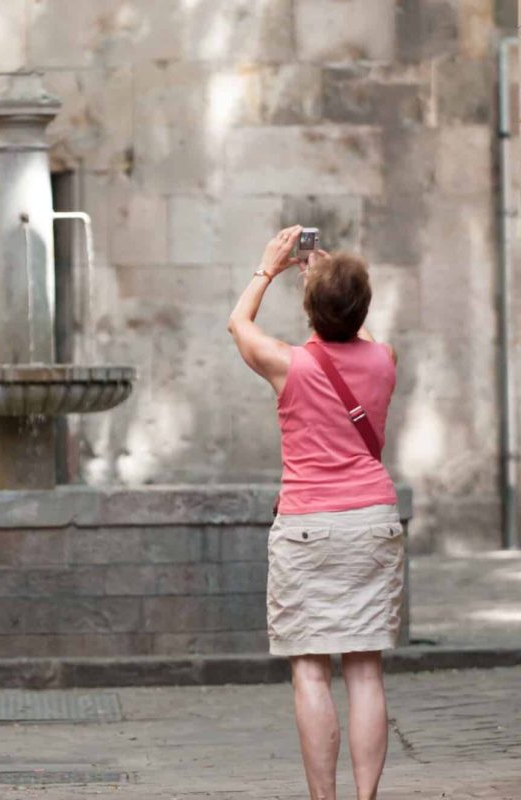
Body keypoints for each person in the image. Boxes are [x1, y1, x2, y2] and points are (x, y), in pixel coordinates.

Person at [227, 225, 403, 800]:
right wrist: (337, 291)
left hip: (306, 527)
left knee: (310, 669)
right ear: (363, 309)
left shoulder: (289, 366)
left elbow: (238, 325)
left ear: (309, 311)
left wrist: (267, 267)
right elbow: (365, 341)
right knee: (365, 670)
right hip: (373, 520)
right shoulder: (384, 360)